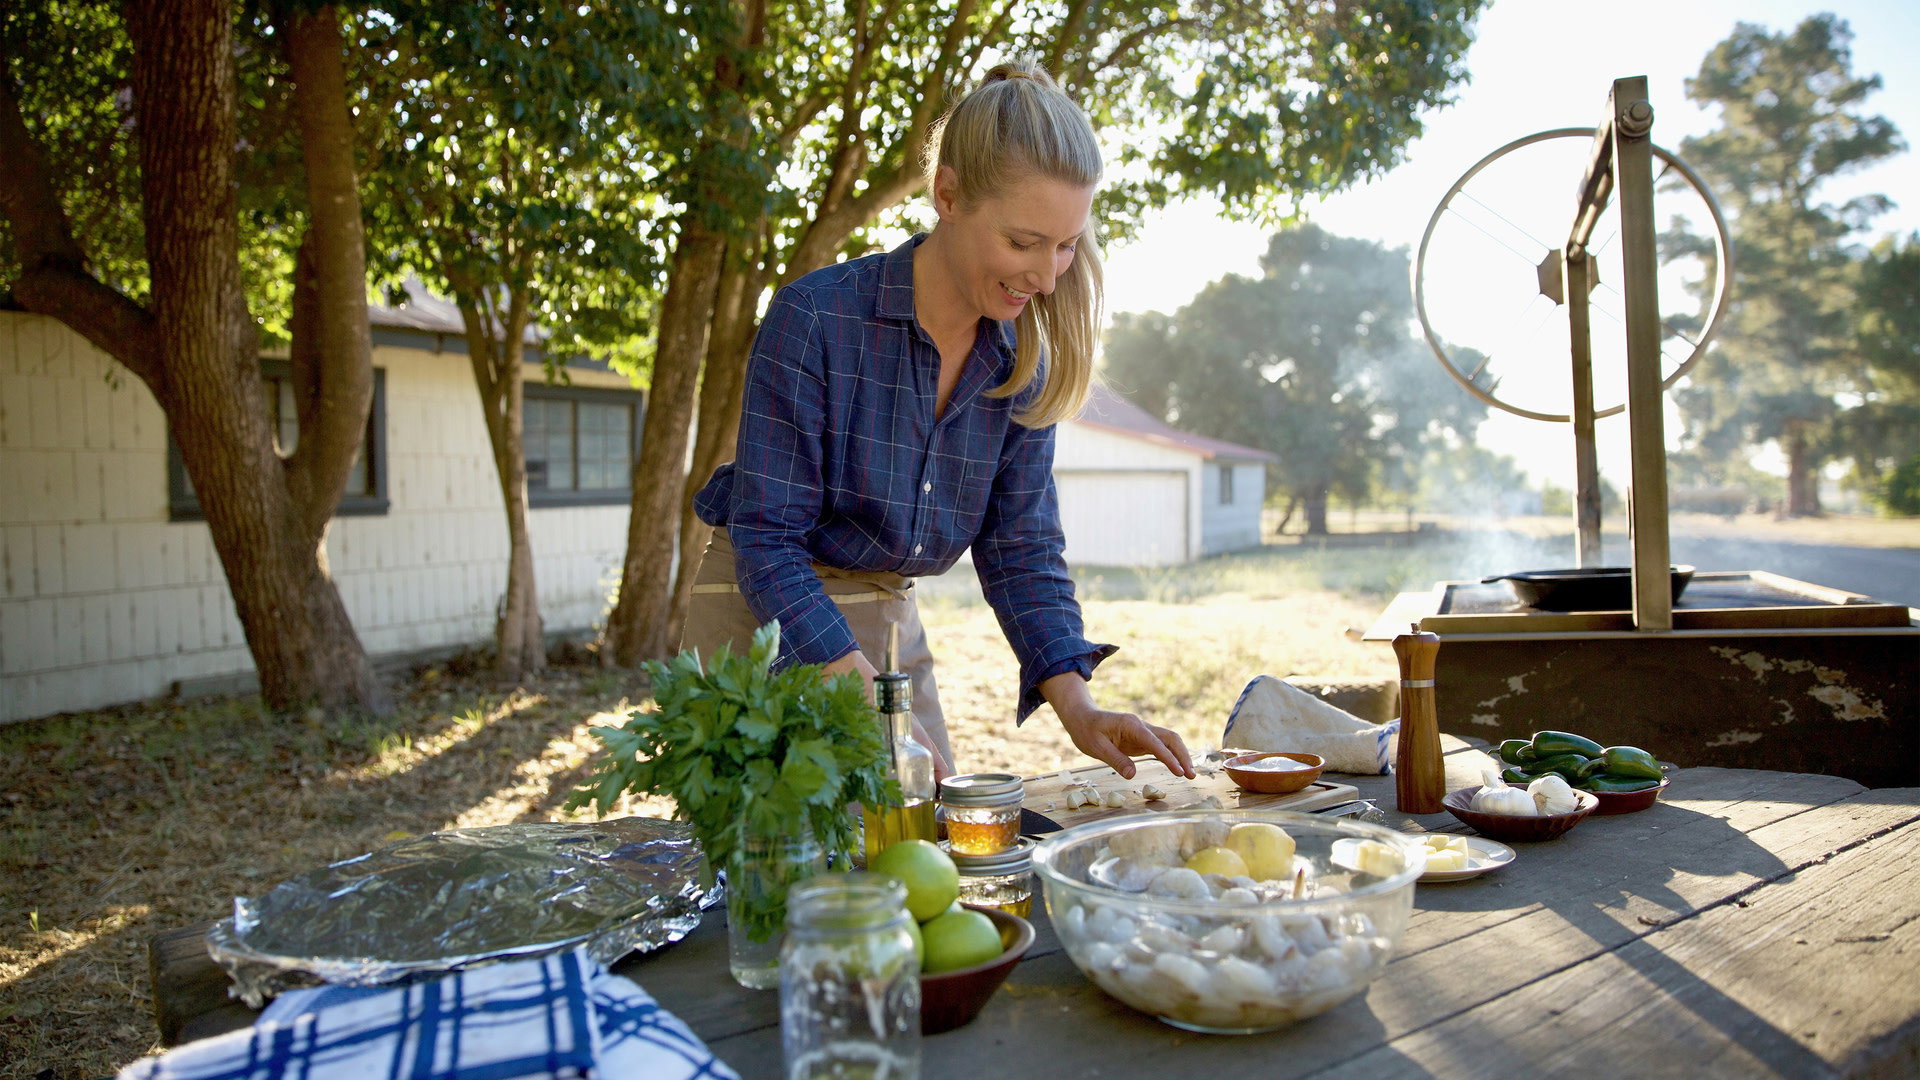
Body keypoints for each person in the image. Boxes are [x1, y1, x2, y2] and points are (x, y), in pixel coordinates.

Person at [683, 59, 1194, 785]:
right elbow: (767, 539)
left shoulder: (1022, 364)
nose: (1047, 277)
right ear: (947, 195)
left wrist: (1080, 708)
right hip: (761, 616)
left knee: (919, 840)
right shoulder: (816, 318)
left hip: (887, 619)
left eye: (1065, 245)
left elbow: (1020, 547)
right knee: (786, 855)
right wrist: (863, 694)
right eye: (1023, 243)